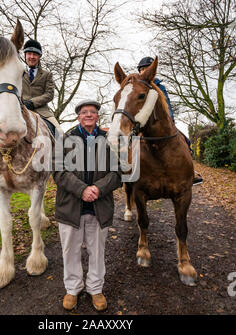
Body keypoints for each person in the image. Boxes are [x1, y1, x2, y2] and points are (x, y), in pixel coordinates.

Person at [53, 99, 122, 311]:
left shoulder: (108, 141)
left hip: (99, 208)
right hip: (71, 207)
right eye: (84, 112)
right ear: (78, 117)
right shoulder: (65, 140)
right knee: (70, 251)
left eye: (93, 112)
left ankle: (95, 288)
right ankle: (73, 289)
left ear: (98, 116)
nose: (89, 115)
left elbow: (117, 174)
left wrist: (98, 189)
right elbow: (58, 171)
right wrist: (82, 189)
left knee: (97, 251)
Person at [137, 56, 203, 186]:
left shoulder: (160, 86)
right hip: (142, 123)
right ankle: (127, 171)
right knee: (128, 142)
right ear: (139, 71)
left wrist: (170, 120)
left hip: (161, 124)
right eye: (142, 69)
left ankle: (191, 171)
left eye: (147, 69)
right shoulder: (137, 87)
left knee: (186, 141)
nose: (145, 72)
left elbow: (166, 104)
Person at [22, 39, 63, 136]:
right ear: (25, 55)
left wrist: (32, 103)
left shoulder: (47, 74)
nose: (32, 57)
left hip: (43, 112)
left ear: (39, 56)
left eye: (35, 54)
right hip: (21, 109)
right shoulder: (18, 73)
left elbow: (49, 94)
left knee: (61, 134)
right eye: (29, 54)